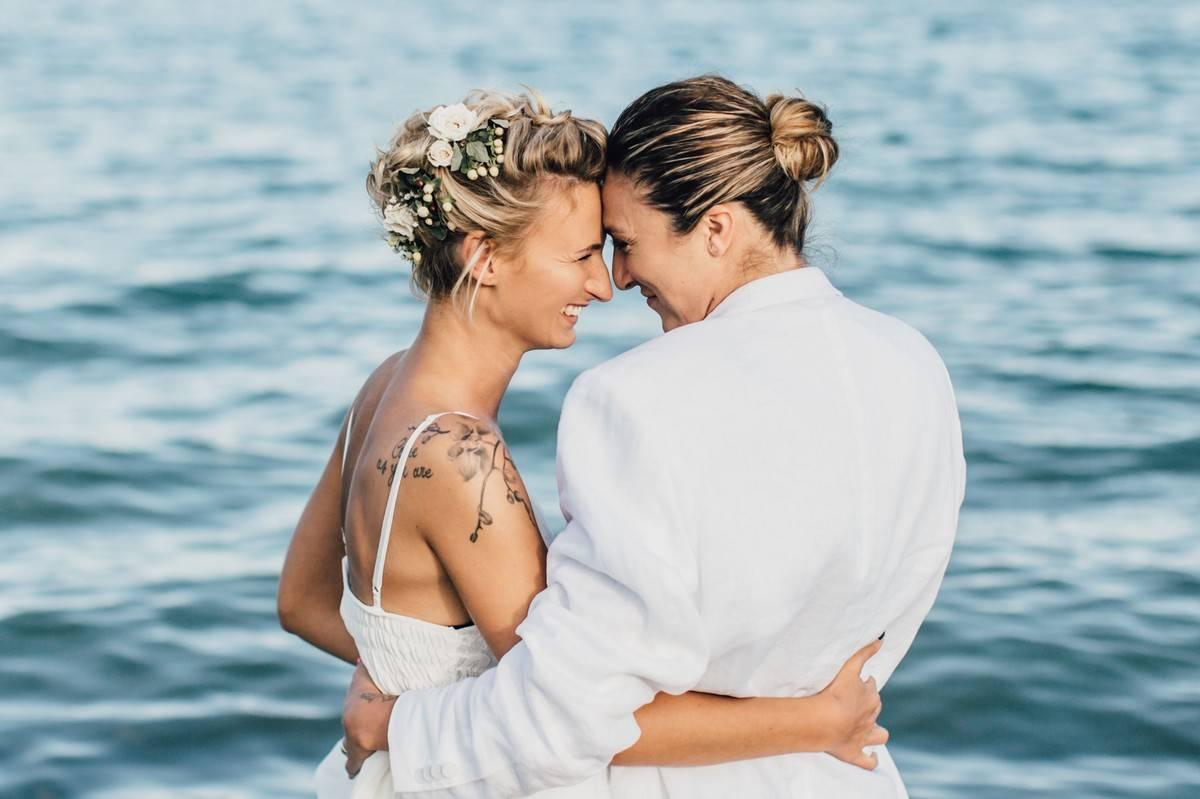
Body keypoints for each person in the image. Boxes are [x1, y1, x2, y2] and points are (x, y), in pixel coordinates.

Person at [340, 75, 967, 798]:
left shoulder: (634, 399)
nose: (619, 276)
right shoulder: (917, 368)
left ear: (717, 229)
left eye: (627, 243)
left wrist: (396, 725)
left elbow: (564, 713)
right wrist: (821, 720)